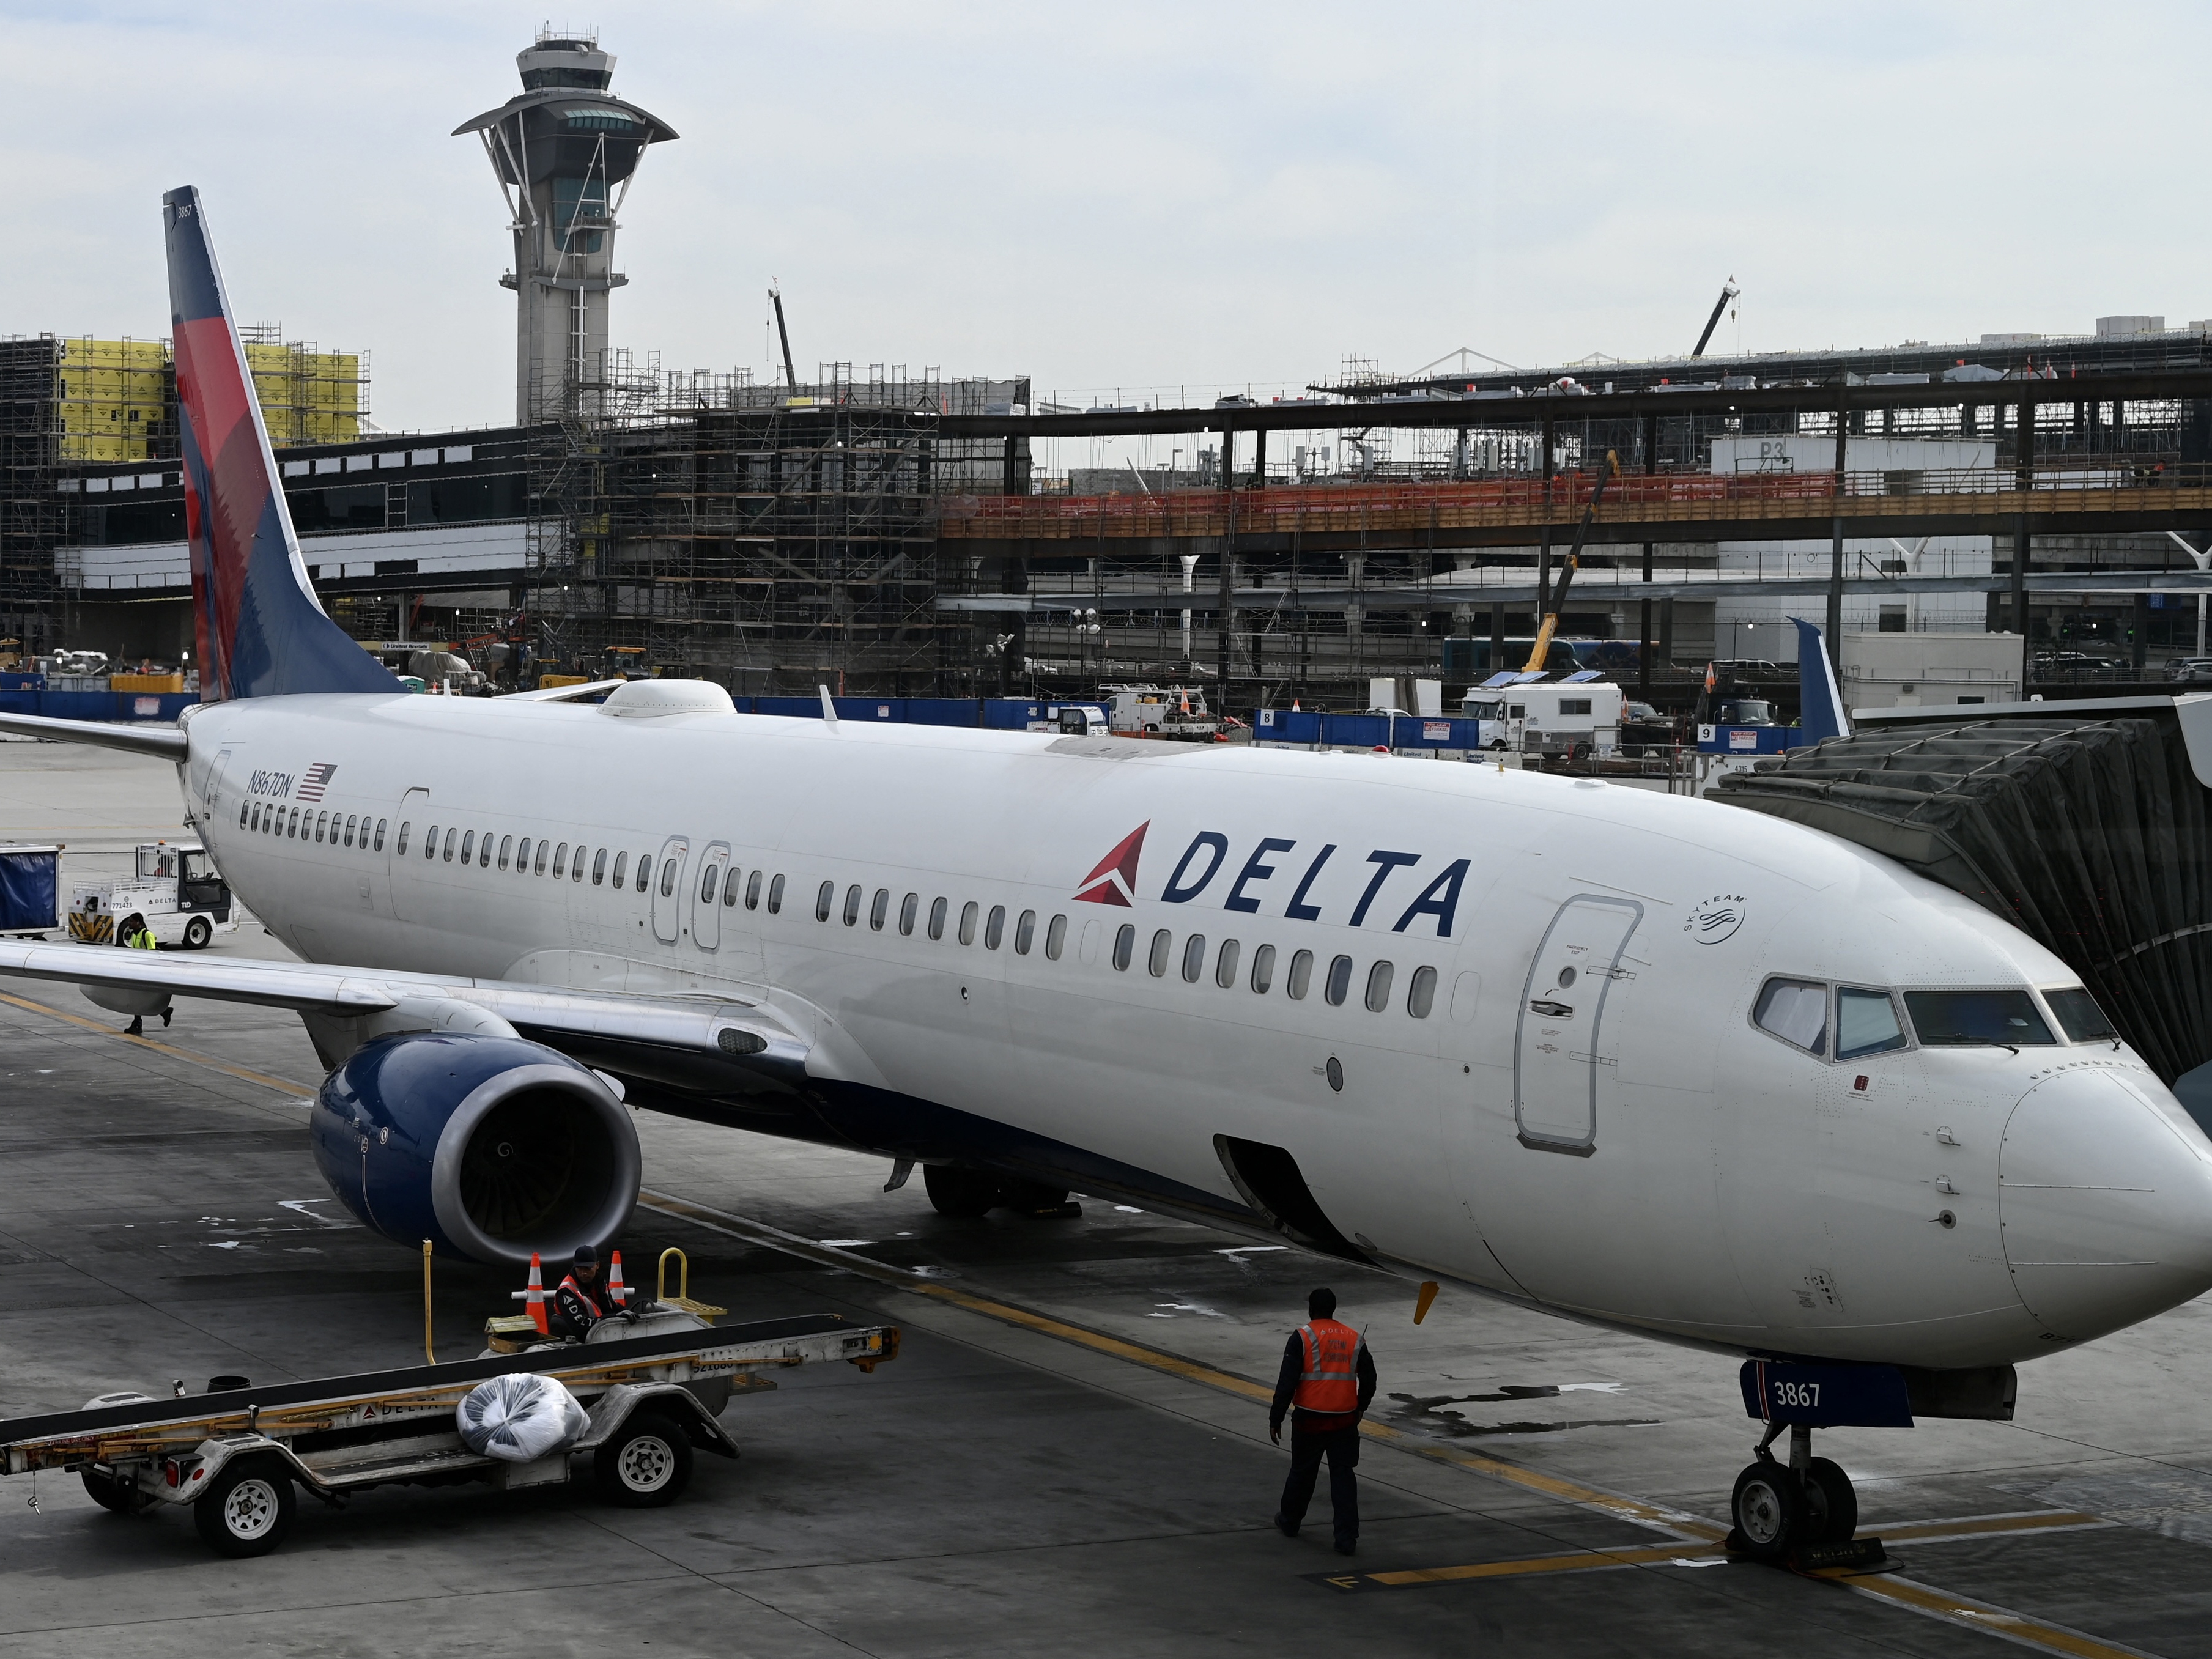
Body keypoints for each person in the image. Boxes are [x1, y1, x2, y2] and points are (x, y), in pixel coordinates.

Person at [1269, 1287, 1376, 1556]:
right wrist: (1360, 1407)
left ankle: (1290, 1521)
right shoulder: (1355, 1338)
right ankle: (1346, 1539)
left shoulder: (1302, 1337)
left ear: (1311, 1310)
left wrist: (1276, 1417)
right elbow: (1370, 1379)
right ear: (1333, 1309)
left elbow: (1287, 1383)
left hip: (1309, 1420)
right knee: (1343, 1477)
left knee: (1302, 1473)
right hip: (1344, 1422)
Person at [552, 1244, 635, 1339]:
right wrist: (614, 1317)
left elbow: (610, 1307)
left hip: (601, 1334)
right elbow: (581, 1326)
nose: (584, 1273)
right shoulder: (567, 1291)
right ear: (574, 1266)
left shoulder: (599, 1282)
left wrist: (627, 1313)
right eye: (580, 1269)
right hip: (581, 1339)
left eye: (588, 1269)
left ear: (597, 1266)